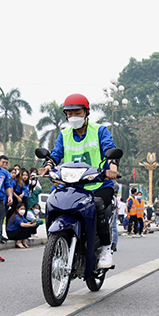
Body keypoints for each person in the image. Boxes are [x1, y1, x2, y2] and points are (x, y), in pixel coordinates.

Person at [38, 93, 119, 269]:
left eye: (77, 112)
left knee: (97, 205)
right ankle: (57, 243)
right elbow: (55, 154)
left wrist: (112, 168)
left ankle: (105, 249)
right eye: (69, 113)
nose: (73, 116)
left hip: (98, 184)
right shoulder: (64, 134)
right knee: (53, 201)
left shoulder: (99, 131)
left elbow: (109, 148)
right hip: (71, 186)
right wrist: (47, 166)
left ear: (86, 112)